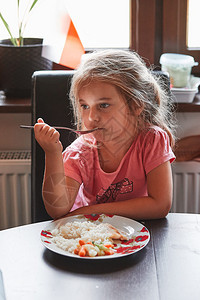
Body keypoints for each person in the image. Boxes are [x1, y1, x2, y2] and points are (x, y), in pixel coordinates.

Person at [34, 49, 176, 220]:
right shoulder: (80, 154)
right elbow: (57, 210)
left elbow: (160, 205)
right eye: (85, 106)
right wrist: (52, 153)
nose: (91, 117)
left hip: (142, 235)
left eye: (103, 105)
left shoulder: (152, 140)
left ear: (137, 105)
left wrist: (90, 210)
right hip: (91, 238)